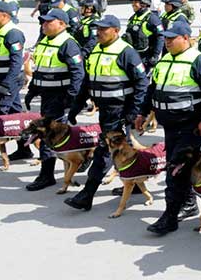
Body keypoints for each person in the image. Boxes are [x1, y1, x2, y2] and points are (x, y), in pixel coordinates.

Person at [135, 21, 201, 235]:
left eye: (172, 38)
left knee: (174, 169)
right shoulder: (165, 60)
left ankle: (169, 217)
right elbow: (152, 89)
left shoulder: (200, 61)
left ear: (186, 38)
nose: (168, 42)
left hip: (190, 127)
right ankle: (189, 204)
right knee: (182, 169)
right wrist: (142, 113)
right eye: (166, 38)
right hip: (170, 126)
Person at [63, 15, 149, 211]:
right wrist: (77, 105)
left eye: (104, 29)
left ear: (116, 31)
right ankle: (135, 182)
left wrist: (132, 112)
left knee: (105, 151)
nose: (98, 32)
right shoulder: (96, 50)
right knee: (123, 149)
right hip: (105, 110)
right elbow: (88, 80)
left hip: (119, 111)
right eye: (97, 29)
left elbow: (142, 83)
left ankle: (87, 194)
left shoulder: (126, 52)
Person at [24, 9, 85, 191]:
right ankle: (77, 160)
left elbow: (78, 74)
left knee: (48, 136)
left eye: (49, 22)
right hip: (47, 96)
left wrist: (70, 98)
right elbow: (41, 69)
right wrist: (32, 90)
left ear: (62, 24)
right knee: (54, 136)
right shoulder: (45, 42)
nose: (44, 25)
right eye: (43, 22)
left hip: (60, 97)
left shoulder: (68, 44)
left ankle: (46, 174)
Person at [125, 0, 164, 73]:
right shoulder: (132, 18)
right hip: (133, 56)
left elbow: (160, 37)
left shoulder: (152, 19)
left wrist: (155, 56)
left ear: (144, 4)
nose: (133, 4)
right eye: (133, 2)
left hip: (146, 58)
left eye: (136, 2)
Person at [0, 1, 25, 115]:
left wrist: (7, 84)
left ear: (4, 16)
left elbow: (17, 63)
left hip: (10, 78)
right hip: (1, 77)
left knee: (1, 109)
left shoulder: (13, 33)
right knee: (14, 109)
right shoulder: (0, 30)